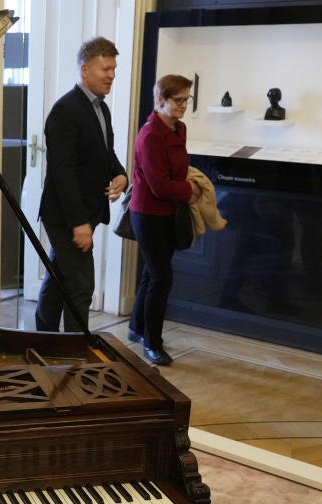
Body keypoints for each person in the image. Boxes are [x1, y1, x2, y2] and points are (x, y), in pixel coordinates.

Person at [35, 37, 127, 333]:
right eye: (105, 68)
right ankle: (76, 355)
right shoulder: (65, 111)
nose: (112, 75)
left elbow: (105, 152)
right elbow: (63, 173)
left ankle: (43, 341)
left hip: (85, 212)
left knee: (58, 276)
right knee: (82, 286)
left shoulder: (102, 109)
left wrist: (121, 174)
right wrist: (79, 224)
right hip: (66, 217)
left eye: (114, 68)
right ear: (84, 69)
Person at [126, 74, 201, 366]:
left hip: (168, 213)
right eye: (178, 99)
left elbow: (178, 171)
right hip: (147, 215)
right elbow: (159, 185)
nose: (184, 105)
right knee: (161, 277)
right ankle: (152, 344)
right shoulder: (150, 135)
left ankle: (136, 328)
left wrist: (184, 186)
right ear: (160, 100)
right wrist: (189, 190)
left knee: (151, 274)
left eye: (187, 99)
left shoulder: (178, 129)